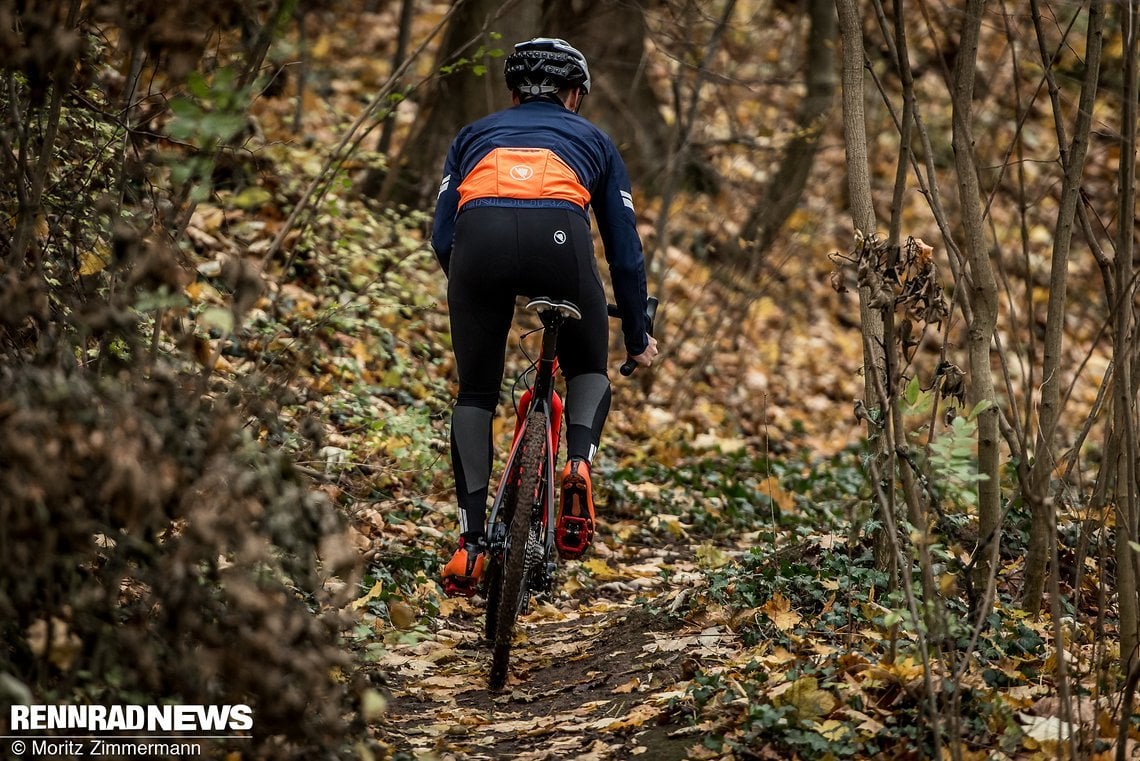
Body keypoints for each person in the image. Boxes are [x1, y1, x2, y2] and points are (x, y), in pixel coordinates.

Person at [432, 37, 659, 597]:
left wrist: (473, 288)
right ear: (574, 95)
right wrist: (636, 335)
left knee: (476, 395)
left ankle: (470, 543)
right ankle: (578, 462)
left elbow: (442, 235)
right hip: (561, 246)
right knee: (587, 369)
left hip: (476, 250)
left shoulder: (472, 135)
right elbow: (625, 251)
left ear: (512, 93)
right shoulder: (596, 142)